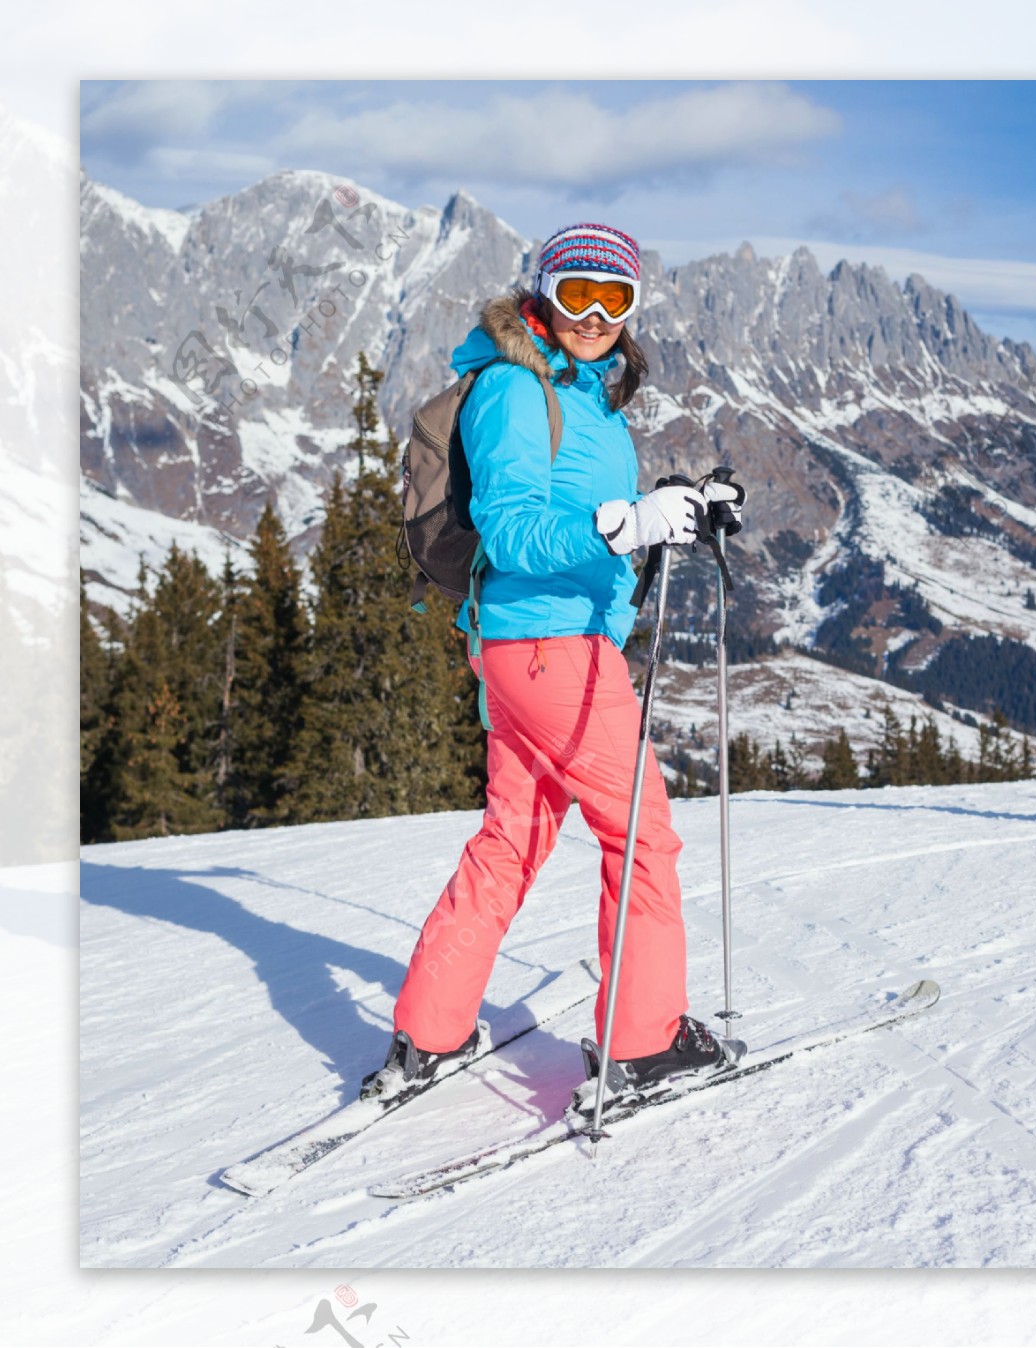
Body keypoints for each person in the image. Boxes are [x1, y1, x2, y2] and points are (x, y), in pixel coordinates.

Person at [362, 222, 747, 1108]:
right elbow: (515, 529)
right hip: (551, 649)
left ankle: (429, 1033)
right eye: (579, 293)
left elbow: (595, 509)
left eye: (617, 298)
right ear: (542, 291)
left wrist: (677, 509)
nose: (597, 315)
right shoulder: (512, 389)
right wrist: (623, 525)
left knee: (511, 842)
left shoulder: (586, 398)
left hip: (535, 649)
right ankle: (643, 1047)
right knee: (643, 837)